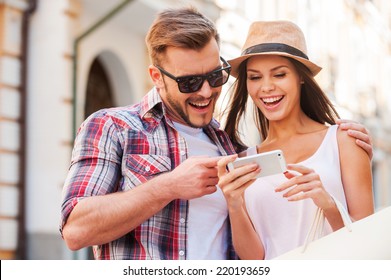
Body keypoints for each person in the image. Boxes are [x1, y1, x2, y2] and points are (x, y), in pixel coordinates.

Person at [60, 8, 373, 260]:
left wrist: (331, 195)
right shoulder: (114, 126)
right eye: (190, 83)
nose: (207, 92)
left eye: (214, 76)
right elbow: (75, 231)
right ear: (157, 77)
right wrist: (167, 186)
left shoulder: (231, 150)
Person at [216, 20, 374, 260]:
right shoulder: (244, 160)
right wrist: (234, 203)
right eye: (255, 77)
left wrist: (328, 204)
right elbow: (255, 260)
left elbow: (368, 244)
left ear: (301, 77)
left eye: (279, 74)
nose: (266, 87)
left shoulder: (344, 141)